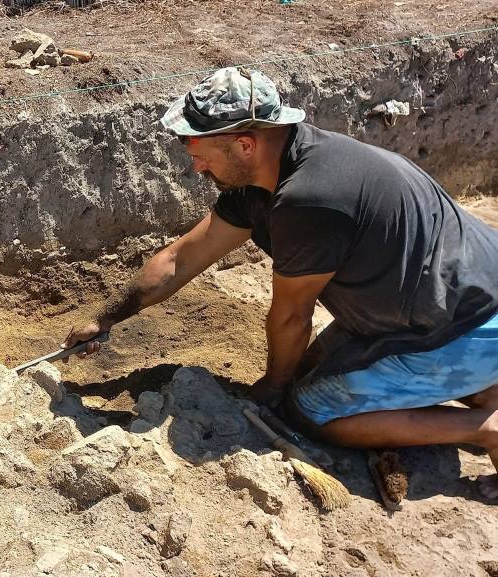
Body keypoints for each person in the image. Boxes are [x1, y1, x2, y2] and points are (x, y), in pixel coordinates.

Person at [62, 67, 498, 500]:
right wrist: (105, 318)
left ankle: (484, 428)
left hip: (463, 325)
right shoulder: (271, 173)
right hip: (454, 295)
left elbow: (292, 317)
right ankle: (482, 389)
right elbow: (181, 259)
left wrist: (273, 388)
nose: (196, 166)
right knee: (307, 371)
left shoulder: (310, 199)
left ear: (244, 144)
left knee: (309, 410)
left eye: (200, 153)